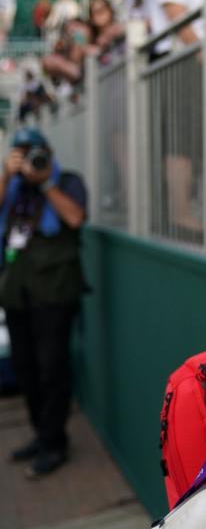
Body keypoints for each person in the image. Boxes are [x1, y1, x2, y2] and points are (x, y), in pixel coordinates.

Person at [1, 128, 87, 478]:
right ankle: (41, 434)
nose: (29, 158)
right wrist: (8, 174)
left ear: (48, 151)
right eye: (20, 152)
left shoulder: (67, 180)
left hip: (54, 292)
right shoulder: (14, 188)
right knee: (25, 367)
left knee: (52, 367)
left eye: (34, 151)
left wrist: (46, 181)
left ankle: (55, 443)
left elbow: (75, 218)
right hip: (17, 292)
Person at [123, 0, 206, 234]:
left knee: (183, 138)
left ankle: (176, 211)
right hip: (181, 58)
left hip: (179, 58)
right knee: (180, 140)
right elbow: (176, 14)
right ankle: (180, 212)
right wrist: (202, 54)